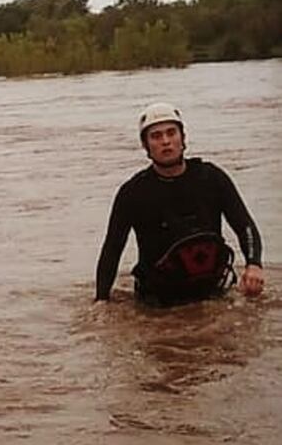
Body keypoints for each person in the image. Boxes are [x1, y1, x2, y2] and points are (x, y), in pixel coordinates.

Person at [95, 102, 265, 306]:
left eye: (171, 133)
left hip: (213, 294)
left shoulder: (212, 178)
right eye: (156, 136)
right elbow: (113, 248)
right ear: (146, 145)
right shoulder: (132, 193)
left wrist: (254, 264)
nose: (166, 141)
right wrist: (101, 300)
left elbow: (244, 226)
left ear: (183, 138)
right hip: (158, 302)